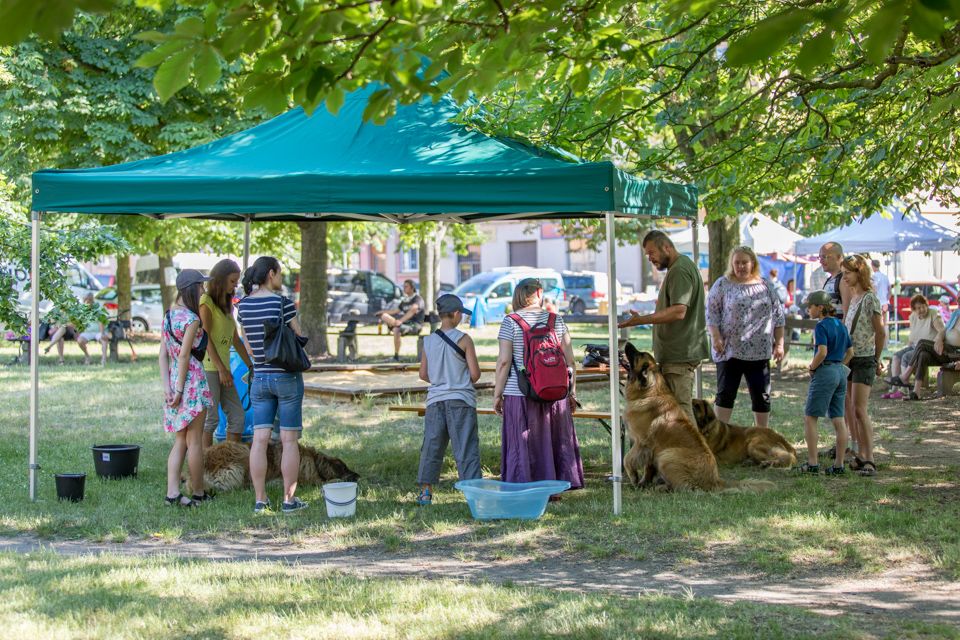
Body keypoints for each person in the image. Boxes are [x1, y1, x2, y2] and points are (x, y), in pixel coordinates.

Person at [493, 277, 584, 492]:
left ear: (518, 295)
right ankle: (557, 483)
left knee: (523, 440)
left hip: (521, 392)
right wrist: (571, 392)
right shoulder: (556, 320)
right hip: (555, 392)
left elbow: (504, 361)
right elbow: (570, 361)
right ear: (539, 293)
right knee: (554, 439)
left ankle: (524, 484)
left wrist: (497, 394)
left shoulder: (510, 321)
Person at [237, 256, 308, 514]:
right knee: (289, 441)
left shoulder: (242, 306)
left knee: (259, 440)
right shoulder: (282, 304)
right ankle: (289, 501)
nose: (280, 278)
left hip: (259, 378)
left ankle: (260, 500)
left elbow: (247, 344)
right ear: (270, 273)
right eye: (279, 273)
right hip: (286, 377)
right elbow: (300, 337)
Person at [618, 230, 710, 422]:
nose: (650, 258)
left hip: (680, 354)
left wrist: (642, 320)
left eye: (652, 253)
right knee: (674, 411)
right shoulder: (678, 268)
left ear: (666, 247)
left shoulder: (679, 270)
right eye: (647, 254)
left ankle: (691, 452)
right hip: (675, 353)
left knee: (681, 411)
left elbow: (679, 311)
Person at [706, 246, 785, 427]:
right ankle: (720, 438)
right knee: (725, 394)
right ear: (732, 264)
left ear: (753, 263)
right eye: (737, 263)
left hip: (759, 352)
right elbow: (711, 312)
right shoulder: (723, 284)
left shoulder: (765, 285)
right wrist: (716, 336)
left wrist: (779, 344)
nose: (740, 266)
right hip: (729, 350)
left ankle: (762, 435)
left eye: (744, 262)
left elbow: (778, 316)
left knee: (761, 395)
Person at [416, 294, 482, 506]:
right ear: (455, 314)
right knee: (465, 446)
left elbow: (423, 374)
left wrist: (440, 379)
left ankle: (426, 492)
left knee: (432, 445)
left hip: (435, 400)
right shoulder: (464, 340)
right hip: (461, 400)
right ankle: (472, 493)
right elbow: (475, 374)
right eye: (461, 314)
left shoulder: (428, 341)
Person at [159, 269, 213, 507]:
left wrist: (168, 388)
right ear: (192, 288)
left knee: (180, 439)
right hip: (190, 383)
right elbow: (184, 357)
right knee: (195, 441)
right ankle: (199, 493)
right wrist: (181, 390)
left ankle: (172, 493)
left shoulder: (169, 316)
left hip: (174, 381)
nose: (203, 290)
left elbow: (163, 355)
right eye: (201, 286)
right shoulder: (191, 320)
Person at [200, 259, 253, 449]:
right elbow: (206, 338)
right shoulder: (206, 302)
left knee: (237, 415)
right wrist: (221, 369)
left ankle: (230, 460)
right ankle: (203, 464)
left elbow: (236, 341)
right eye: (232, 281)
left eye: (237, 281)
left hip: (224, 369)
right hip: (210, 368)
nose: (235, 285)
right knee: (211, 419)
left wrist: (251, 365)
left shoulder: (228, 305)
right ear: (220, 280)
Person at [798, 290, 853, 475]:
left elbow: (822, 351)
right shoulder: (841, 324)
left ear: (820, 308)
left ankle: (812, 463)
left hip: (826, 371)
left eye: (810, 306)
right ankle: (839, 465)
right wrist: (839, 366)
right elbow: (850, 352)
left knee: (810, 417)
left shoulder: (821, 326)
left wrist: (812, 367)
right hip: (840, 372)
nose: (808, 310)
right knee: (838, 419)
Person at [840, 254, 885, 477]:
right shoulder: (854, 298)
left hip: (865, 359)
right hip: (851, 359)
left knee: (859, 409)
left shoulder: (869, 299)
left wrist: (876, 359)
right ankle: (861, 454)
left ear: (859, 272)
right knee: (852, 409)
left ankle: (870, 458)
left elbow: (881, 332)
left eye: (848, 273)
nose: (844, 277)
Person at [883, 294, 944, 399]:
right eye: (918, 308)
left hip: (927, 348)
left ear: (926, 305)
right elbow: (912, 337)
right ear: (914, 310)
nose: (921, 310)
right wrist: (908, 345)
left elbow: (942, 330)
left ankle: (904, 390)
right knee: (896, 356)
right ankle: (894, 389)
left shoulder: (933, 314)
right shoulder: (913, 317)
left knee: (906, 356)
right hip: (915, 345)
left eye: (923, 306)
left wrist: (939, 339)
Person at [907, 307, 960, 400]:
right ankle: (916, 392)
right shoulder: (956, 314)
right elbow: (944, 330)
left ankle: (905, 375)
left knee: (922, 343)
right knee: (923, 354)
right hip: (945, 350)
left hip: (956, 354)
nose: (958, 301)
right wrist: (939, 339)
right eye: (958, 298)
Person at [44, 294, 109, 365]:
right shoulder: (80, 311)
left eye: (89, 301)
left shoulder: (97, 310)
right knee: (77, 339)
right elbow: (73, 323)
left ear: (92, 301)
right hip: (82, 332)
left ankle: (104, 360)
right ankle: (87, 356)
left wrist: (102, 333)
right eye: (86, 301)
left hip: (97, 332)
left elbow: (100, 323)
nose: (87, 303)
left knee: (103, 339)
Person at [378, 279, 425, 362]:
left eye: (406, 286)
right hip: (404, 324)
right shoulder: (405, 300)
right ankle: (394, 324)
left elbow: (413, 310)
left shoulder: (418, 299)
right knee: (385, 316)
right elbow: (395, 311)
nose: (404, 288)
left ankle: (396, 357)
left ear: (412, 288)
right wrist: (383, 312)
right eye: (403, 286)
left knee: (396, 328)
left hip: (415, 326)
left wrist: (401, 321)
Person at [818, 242, 852, 319]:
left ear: (839, 257)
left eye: (824, 257)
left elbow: (848, 315)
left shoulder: (843, 279)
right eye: (819, 257)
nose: (820, 261)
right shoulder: (830, 280)